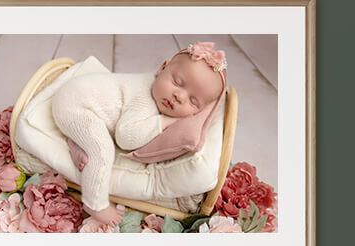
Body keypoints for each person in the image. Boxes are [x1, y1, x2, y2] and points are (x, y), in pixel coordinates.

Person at [50, 42, 227, 227]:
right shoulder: (145, 99)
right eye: (177, 82)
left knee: (96, 134)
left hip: (86, 106)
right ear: (162, 69)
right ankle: (95, 204)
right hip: (74, 106)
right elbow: (125, 137)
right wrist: (164, 122)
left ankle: (76, 141)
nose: (179, 96)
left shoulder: (156, 89)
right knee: (103, 150)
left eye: (193, 100)